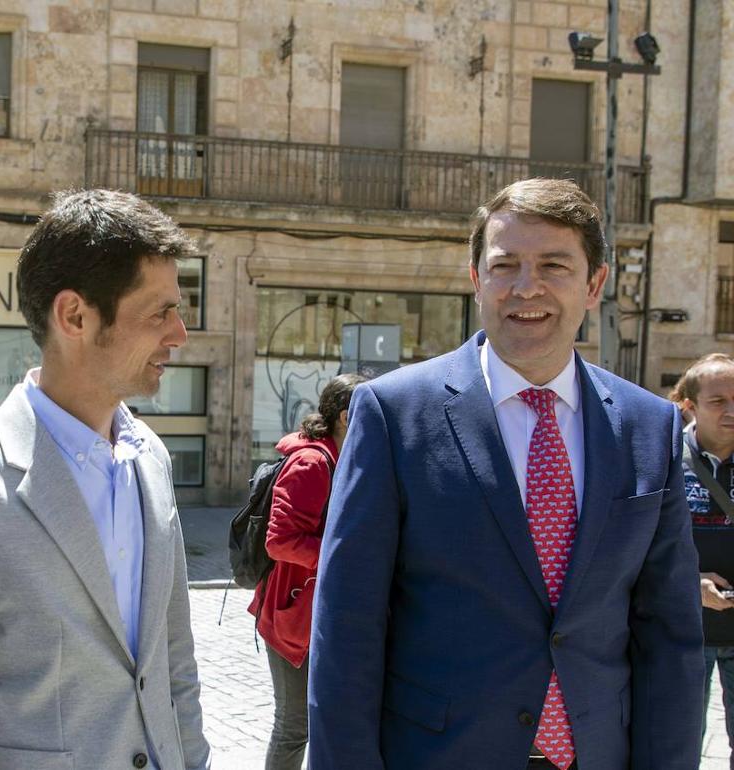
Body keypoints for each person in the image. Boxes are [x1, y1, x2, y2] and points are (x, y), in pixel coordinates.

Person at [307, 178, 704, 769]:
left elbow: (670, 635)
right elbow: (347, 624)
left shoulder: (650, 426)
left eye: (553, 265)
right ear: (476, 280)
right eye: (505, 265)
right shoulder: (394, 414)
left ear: (594, 283)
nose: (527, 287)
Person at [0, 188, 211, 769]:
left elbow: (174, 663)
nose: (179, 334)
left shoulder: (152, 460)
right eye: (159, 311)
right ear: (75, 316)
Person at [249, 373, 364, 770]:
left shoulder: (337, 456)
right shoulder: (313, 462)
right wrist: (341, 553)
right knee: (294, 726)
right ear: (348, 417)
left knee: (324, 720)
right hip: (292, 618)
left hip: (315, 614)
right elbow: (279, 540)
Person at [671, 354, 734, 767]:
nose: (731, 411)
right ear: (690, 405)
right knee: (679, 746)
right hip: (682, 635)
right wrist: (687, 584)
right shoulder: (664, 461)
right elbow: (636, 546)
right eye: (718, 401)